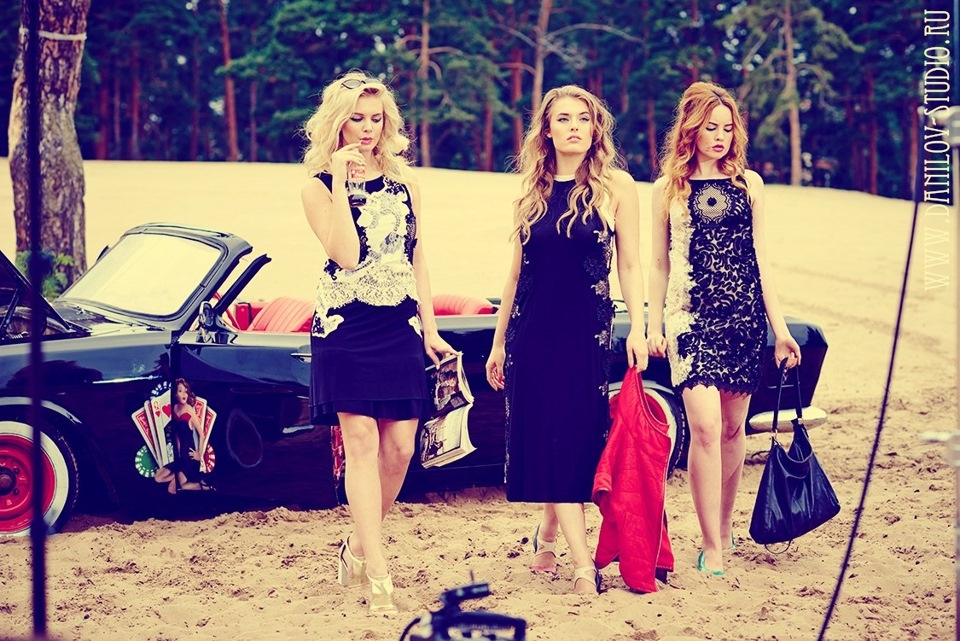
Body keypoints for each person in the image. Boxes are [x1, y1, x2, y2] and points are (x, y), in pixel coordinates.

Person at [484, 85, 648, 595]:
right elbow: (516, 275)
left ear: (595, 129)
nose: (574, 126)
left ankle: (549, 533)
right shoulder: (529, 193)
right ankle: (582, 566)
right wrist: (499, 343)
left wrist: (639, 327)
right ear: (547, 130)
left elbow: (630, 264)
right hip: (532, 337)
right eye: (563, 119)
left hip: (586, 336)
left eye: (583, 118)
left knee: (573, 441)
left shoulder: (616, 187)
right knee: (549, 439)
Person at [300, 70, 453, 613]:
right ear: (337, 124)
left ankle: (358, 546)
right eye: (356, 119)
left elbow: (417, 256)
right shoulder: (317, 186)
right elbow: (345, 254)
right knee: (362, 443)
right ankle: (379, 576)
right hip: (345, 326)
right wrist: (343, 183)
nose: (367, 128)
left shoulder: (405, 182)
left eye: (375, 118)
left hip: (398, 325)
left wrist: (430, 327)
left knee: (401, 448)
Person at [646, 82, 801, 576]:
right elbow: (659, 263)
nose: (719, 136)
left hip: (743, 320)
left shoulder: (749, 184)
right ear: (691, 130)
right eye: (710, 127)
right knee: (706, 428)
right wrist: (654, 324)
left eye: (727, 128)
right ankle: (710, 543)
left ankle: (725, 523)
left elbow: (761, 260)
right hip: (690, 318)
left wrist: (779, 329)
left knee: (734, 429)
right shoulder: (667, 188)